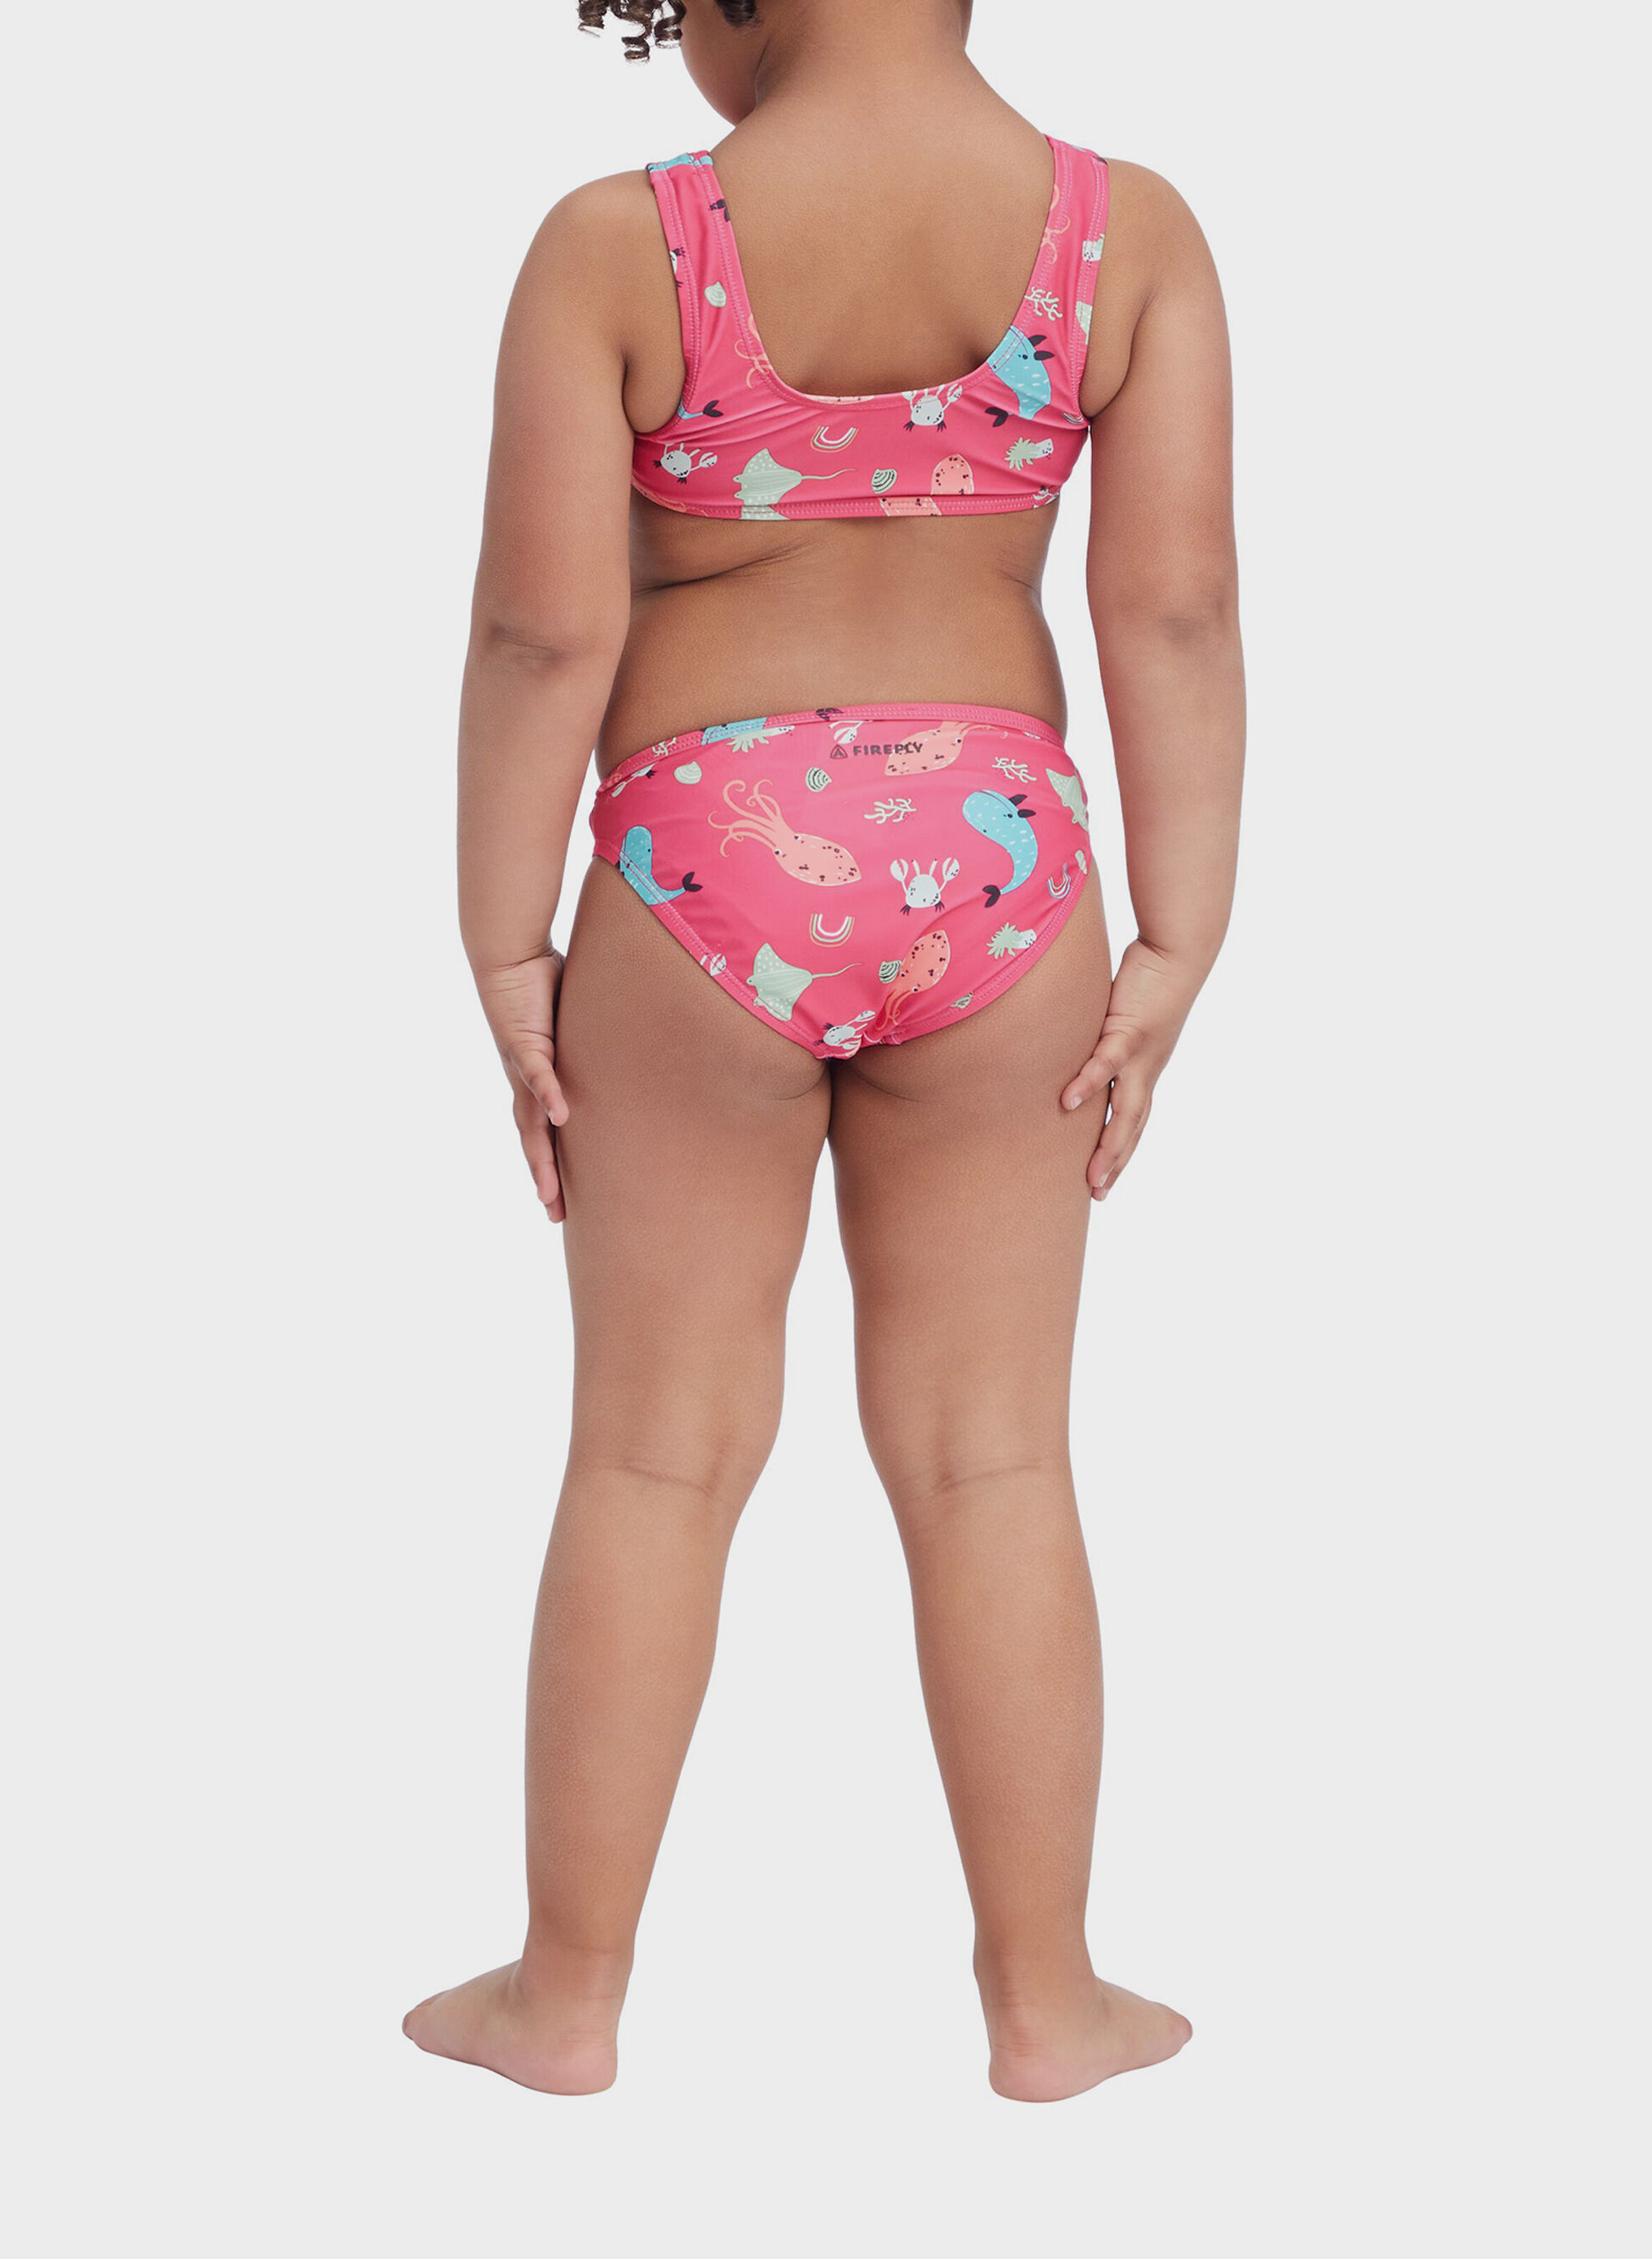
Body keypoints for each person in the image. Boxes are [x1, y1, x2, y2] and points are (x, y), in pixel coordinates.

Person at [404, 0, 1243, 2102]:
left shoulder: (617, 243)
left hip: (702, 865)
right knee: (994, 1456)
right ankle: (1048, 2002)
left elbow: (540, 631)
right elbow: (1173, 613)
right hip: (1004, 867)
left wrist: (504, 942)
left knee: (652, 1453)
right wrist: (1181, 932)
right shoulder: (1125, 237)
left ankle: (564, 1996)